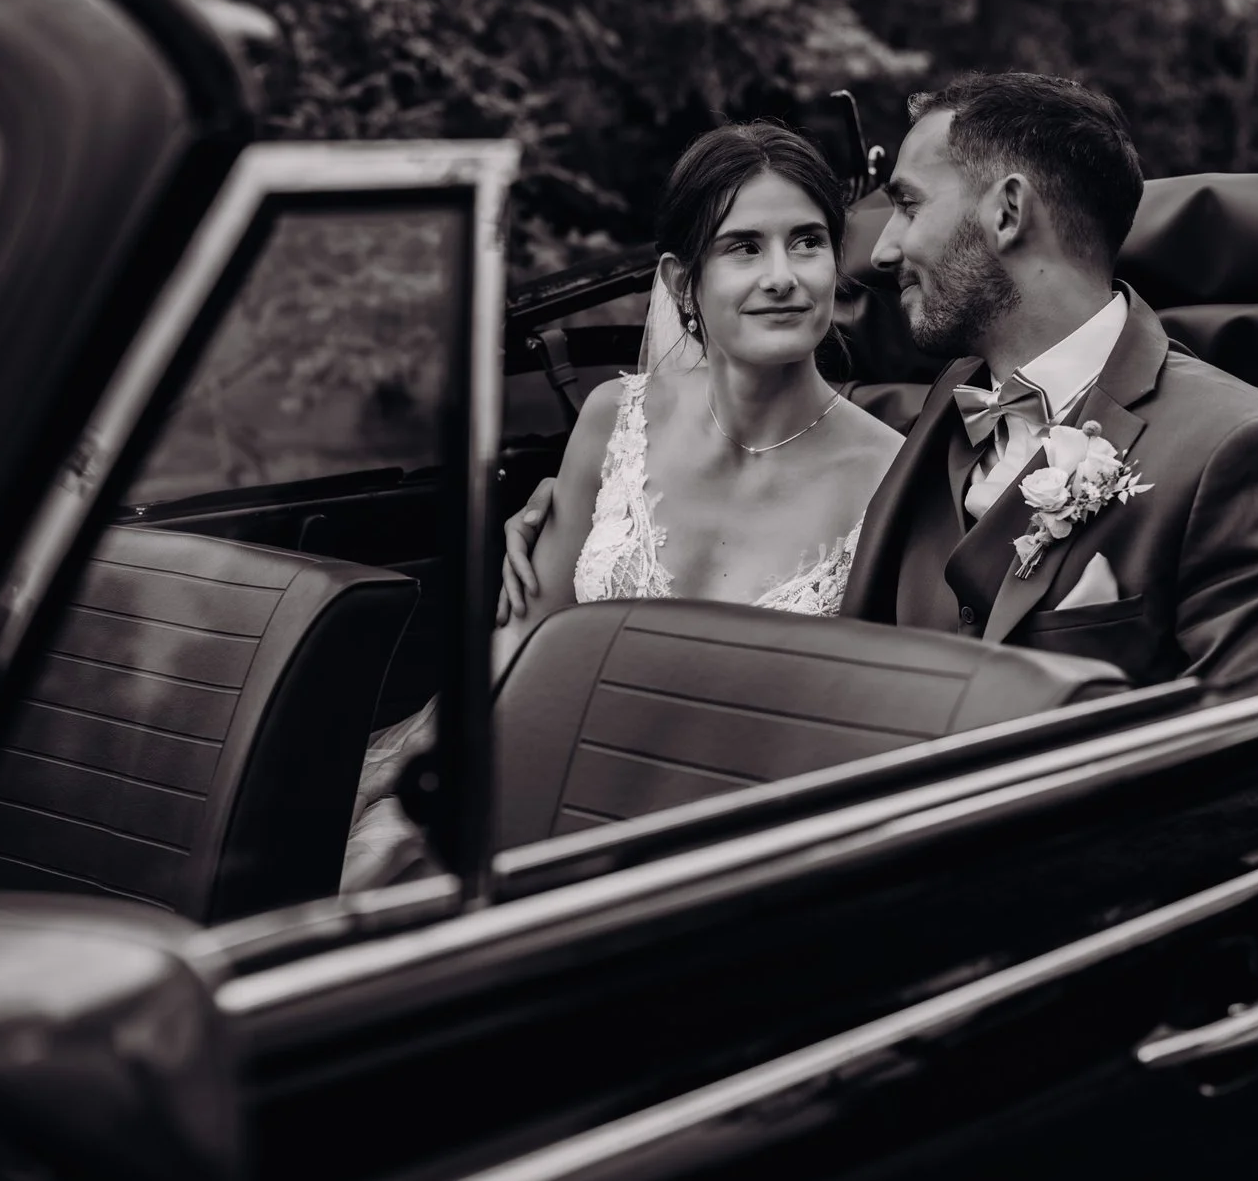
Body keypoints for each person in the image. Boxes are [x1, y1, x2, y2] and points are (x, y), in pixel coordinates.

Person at [504, 72, 1258, 691]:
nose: (875, 252)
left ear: (1007, 211)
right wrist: (569, 507)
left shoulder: (1240, 451)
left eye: (907, 205)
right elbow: (766, 435)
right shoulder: (942, 420)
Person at [349, 120, 903, 888]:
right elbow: (518, 650)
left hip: (743, 851)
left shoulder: (890, 473)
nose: (784, 275)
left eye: (806, 242)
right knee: (374, 861)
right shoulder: (617, 418)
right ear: (683, 283)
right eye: (745, 247)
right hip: (555, 805)